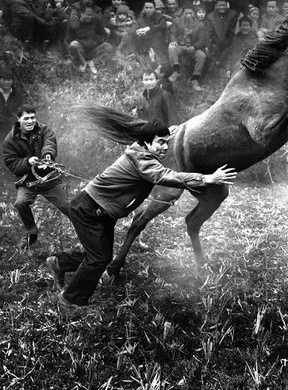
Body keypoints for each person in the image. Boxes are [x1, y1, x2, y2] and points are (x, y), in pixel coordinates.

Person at [45, 110, 236, 308]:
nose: (165, 147)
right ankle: (70, 300)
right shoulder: (143, 161)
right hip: (90, 209)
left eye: (166, 142)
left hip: (103, 212)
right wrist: (206, 179)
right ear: (147, 142)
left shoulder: (142, 149)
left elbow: (160, 140)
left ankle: (59, 263)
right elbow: (166, 176)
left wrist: (168, 133)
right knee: (99, 258)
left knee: (101, 256)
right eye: (160, 143)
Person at [3, 105, 69, 249]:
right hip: (27, 182)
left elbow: (49, 143)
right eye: (26, 118)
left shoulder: (44, 130)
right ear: (18, 119)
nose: (30, 121)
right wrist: (28, 162)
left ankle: (86, 230)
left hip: (48, 179)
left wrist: (47, 157)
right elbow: (12, 163)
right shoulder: (10, 140)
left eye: (32, 117)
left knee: (68, 207)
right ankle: (31, 233)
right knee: (21, 203)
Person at [0, 67, 24, 139]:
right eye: (4, 80)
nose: (6, 82)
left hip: (12, 127)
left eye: (8, 80)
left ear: (12, 81)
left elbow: (22, 110)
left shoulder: (17, 94)